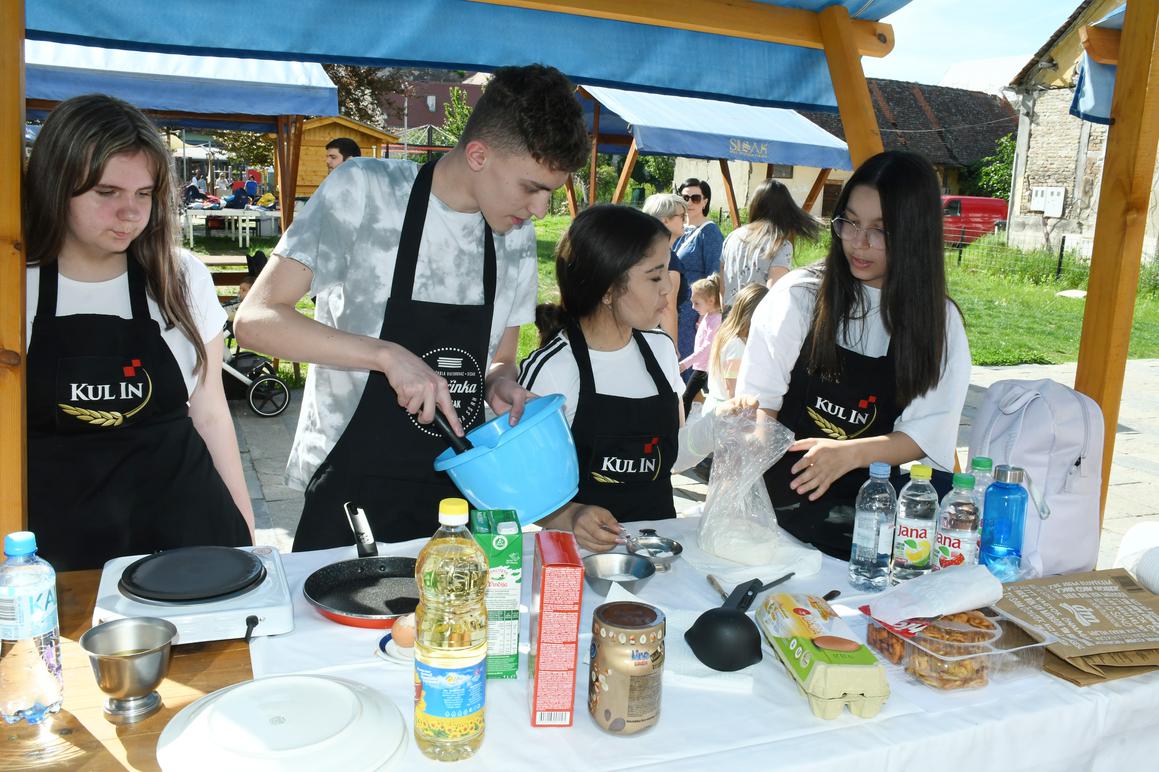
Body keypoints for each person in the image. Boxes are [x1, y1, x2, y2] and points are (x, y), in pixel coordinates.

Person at [234, 64, 589, 550]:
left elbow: (501, 357)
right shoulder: (366, 193)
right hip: (350, 489)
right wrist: (385, 355)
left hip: (460, 491)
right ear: (479, 155)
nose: (542, 210)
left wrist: (500, 383)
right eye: (533, 188)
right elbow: (256, 321)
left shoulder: (516, 237)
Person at [22, 94, 254, 571]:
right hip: (58, 552)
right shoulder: (13, 287)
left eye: (144, 194)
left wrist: (247, 536)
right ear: (53, 185)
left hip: (189, 537)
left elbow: (210, 412)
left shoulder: (180, 276)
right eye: (106, 193)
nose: (130, 212)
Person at [737, 151, 972, 560]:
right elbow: (761, 406)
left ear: (915, 235)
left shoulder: (940, 323)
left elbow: (922, 436)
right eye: (850, 223)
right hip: (780, 512)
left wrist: (849, 453)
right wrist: (741, 492)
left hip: (870, 516)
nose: (859, 244)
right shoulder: (799, 296)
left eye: (881, 231)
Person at [518, 205, 684, 551]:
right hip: (575, 563)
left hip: (658, 553)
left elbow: (671, 457)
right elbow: (520, 487)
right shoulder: (554, 369)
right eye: (655, 277)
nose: (668, 289)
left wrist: (720, 431)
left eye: (667, 272)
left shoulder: (660, 350)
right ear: (607, 289)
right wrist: (568, 516)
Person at [720, 179, 820, 307]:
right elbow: (773, 294)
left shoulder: (732, 237)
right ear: (786, 210)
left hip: (729, 319)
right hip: (756, 321)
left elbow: (722, 286)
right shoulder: (780, 245)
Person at [673, 178, 723, 371]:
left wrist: (707, 312)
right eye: (685, 197)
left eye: (695, 198)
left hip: (693, 310)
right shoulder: (681, 229)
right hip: (675, 307)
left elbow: (715, 273)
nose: (690, 202)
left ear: (705, 201)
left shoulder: (709, 231)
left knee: (689, 361)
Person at [704, 282, 767, 414]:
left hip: (716, 407)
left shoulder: (726, 333)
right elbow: (732, 390)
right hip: (726, 413)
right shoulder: (736, 346)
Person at [641, 193, 689, 350]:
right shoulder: (668, 260)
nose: (685, 221)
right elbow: (667, 309)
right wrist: (672, 350)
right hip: (657, 340)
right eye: (682, 216)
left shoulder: (643, 252)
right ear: (664, 220)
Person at [679, 275, 723, 415]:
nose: (692, 307)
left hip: (705, 368)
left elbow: (706, 348)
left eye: (696, 303)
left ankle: (679, 429)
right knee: (690, 397)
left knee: (686, 398)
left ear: (711, 301)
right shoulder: (709, 316)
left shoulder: (716, 319)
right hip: (703, 366)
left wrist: (685, 364)